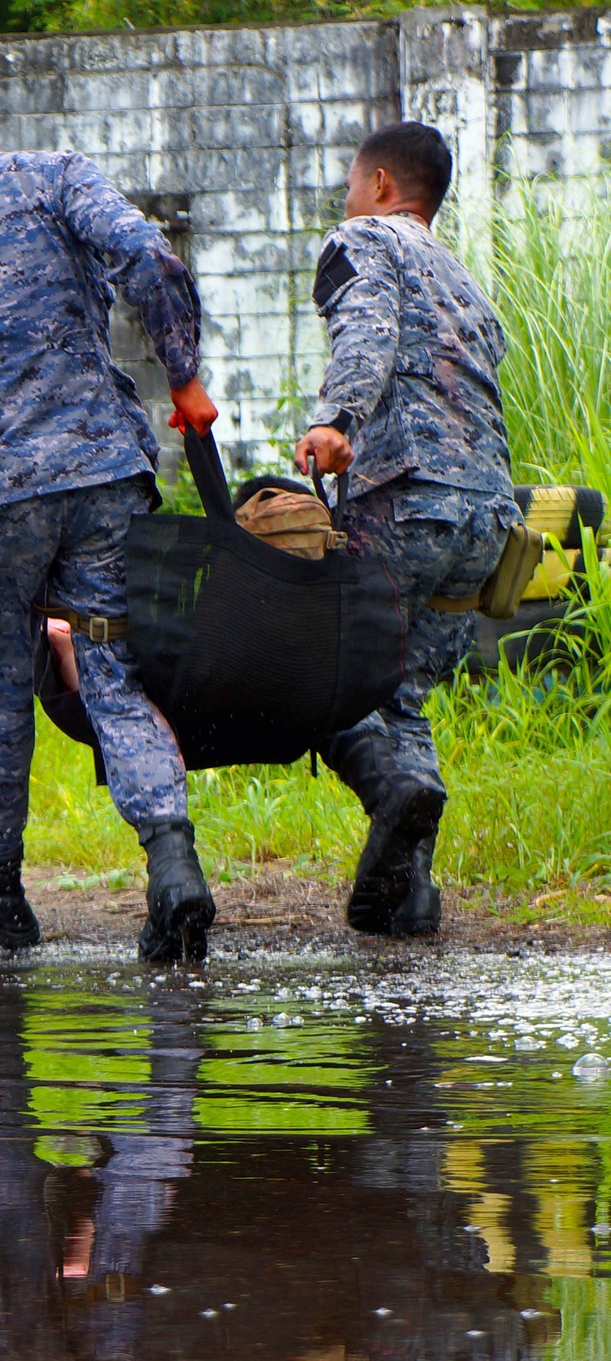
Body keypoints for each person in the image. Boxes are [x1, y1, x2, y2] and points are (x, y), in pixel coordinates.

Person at [0, 67, 218, 962]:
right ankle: (173, 866)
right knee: (113, 668)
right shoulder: (54, 173)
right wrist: (180, 374)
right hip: (105, 474)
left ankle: (1, 897)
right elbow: (148, 256)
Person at [294, 122, 521, 938]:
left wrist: (337, 419)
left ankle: (392, 820)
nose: (348, 200)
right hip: (489, 516)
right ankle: (411, 896)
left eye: (354, 185)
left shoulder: (365, 237)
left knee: (319, 668)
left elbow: (369, 329)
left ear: (383, 185)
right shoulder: (465, 280)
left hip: (404, 497)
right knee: (404, 696)